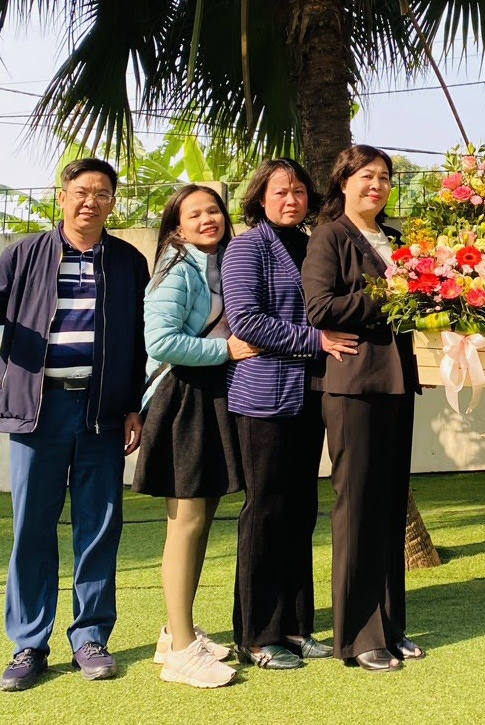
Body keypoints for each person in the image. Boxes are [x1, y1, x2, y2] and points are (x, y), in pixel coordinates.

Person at [0, 159, 149, 692]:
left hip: (102, 412)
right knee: (32, 528)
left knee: (99, 526)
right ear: (61, 197)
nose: (91, 201)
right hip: (38, 411)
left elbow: (140, 339)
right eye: (82, 191)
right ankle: (28, 643)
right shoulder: (22, 254)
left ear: (113, 202)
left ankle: (90, 637)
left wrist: (133, 405)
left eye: (102, 193)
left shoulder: (128, 262)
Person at [223, 159, 358, 670]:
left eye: (299, 191)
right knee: (265, 511)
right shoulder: (246, 248)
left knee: (300, 510)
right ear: (260, 198)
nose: (291, 199)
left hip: (309, 397)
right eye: (280, 191)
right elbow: (246, 320)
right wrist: (315, 340)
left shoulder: (310, 243)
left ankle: (297, 627)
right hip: (263, 398)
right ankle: (257, 635)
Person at [132, 185, 259, 688]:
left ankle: (175, 633)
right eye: (195, 214)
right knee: (185, 522)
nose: (208, 219)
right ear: (177, 226)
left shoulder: (218, 261)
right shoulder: (175, 267)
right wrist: (227, 350)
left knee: (200, 518)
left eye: (214, 210)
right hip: (179, 397)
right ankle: (182, 651)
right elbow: (161, 341)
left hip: (206, 395)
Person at [302, 144, 420, 673]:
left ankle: (391, 626)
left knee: (390, 507)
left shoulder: (396, 238)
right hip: (352, 385)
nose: (377, 185)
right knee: (357, 508)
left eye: (384, 178)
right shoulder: (329, 236)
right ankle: (357, 635)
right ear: (344, 182)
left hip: (398, 383)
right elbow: (320, 308)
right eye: (367, 176)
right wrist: (387, 293)